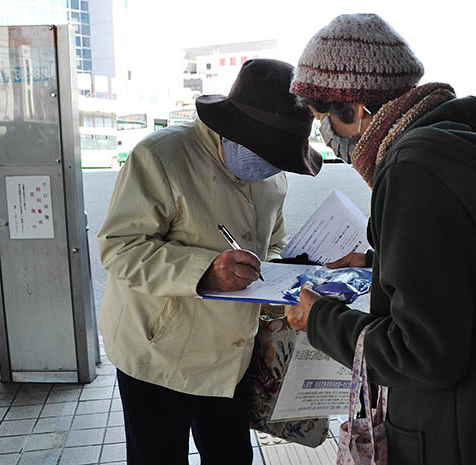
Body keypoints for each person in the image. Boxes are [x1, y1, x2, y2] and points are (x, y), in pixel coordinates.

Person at [287, 14, 476, 465]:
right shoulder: (465, 143)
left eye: (325, 118)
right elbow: (466, 264)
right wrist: (376, 264)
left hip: (460, 436)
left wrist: (319, 318)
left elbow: (421, 352)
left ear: (359, 106)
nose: (327, 136)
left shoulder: (413, 167)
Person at [97, 58, 322, 465]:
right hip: (157, 353)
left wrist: (276, 282)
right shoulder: (160, 156)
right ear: (232, 129)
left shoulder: (273, 176)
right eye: (266, 151)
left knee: (232, 457)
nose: (270, 166)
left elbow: (273, 243)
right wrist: (207, 271)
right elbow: (120, 247)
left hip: (229, 357)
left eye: (280, 157)